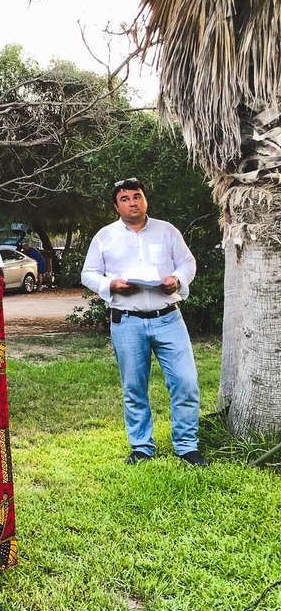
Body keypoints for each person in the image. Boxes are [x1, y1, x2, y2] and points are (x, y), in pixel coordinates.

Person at [81, 178, 206, 467]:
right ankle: (141, 447)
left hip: (168, 318)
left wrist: (177, 279)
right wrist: (112, 284)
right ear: (116, 206)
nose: (132, 202)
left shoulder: (167, 231)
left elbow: (188, 263)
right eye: (125, 199)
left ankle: (187, 446)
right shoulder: (104, 236)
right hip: (127, 322)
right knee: (134, 388)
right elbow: (88, 274)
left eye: (137, 196)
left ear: (145, 200)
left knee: (186, 383)